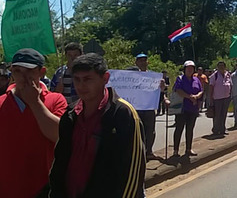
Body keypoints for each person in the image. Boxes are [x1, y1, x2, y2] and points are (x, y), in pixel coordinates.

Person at [49, 53, 145, 197]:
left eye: (87, 79)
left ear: (105, 78)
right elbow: (59, 162)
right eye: (77, 79)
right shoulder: (70, 114)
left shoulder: (123, 114)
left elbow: (133, 172)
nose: (81, 86)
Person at [0, 48, 68, 198]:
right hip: (7, 187)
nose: (23, 77)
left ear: (41, 72)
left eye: (29, 71)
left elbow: (59, 136)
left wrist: (35, 103)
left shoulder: (56, 100)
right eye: (17, 71)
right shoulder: (1, 103)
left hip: (44, 188)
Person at [172, 60, 203, 156]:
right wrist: (190, 97)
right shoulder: (180, 79)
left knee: (190, 129)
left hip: (193, 108)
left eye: (192, 68)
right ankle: (176, 150)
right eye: (188, 68)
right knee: (179, 129)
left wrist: (196, 97)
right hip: (182, 108)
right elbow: (178, 90)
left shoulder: (196, 79)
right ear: (184, 69)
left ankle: (188, 149)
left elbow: (201, 90)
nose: (190, 70)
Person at [209, 61, 232, 137]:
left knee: (224, 114)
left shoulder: (228, 74)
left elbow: (230, 85)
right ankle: (215, 130)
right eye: (220, 66)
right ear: (218, 67)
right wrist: (211, 98)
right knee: (217, 115)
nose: (221, 67)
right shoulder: (214, 75)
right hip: (217, 98)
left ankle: (222, 129)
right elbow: (211, 87)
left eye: (223, 66)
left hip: (226, 97)